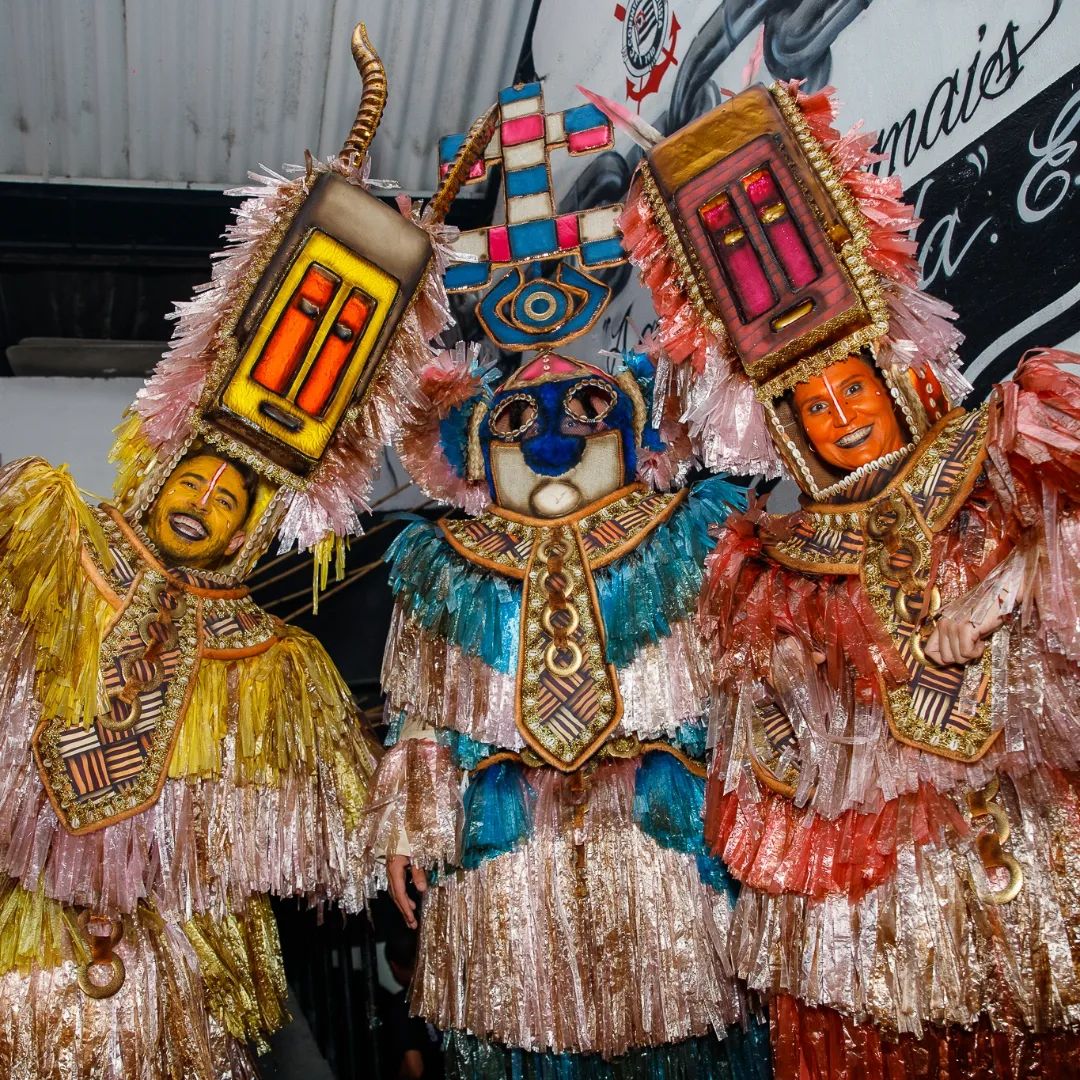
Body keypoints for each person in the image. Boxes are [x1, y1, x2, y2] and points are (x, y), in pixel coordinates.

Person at [621, 79, 1080, 1077]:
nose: (840, 414)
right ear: (787, 428)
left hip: (1029, 841)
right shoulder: (774, 561)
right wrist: (782, 683)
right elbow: (765, 762)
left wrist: (1000, 591)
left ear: (896, 373)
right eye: (814, 404)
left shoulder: (997, 451)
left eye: (852, 387)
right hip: (873, 894)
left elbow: (1065, 545)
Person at [359, 348, 771, 1079]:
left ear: (637, 433)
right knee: (522, 1042)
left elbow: (741, 685)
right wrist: (407, 826)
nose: (552, 446)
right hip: (509, 846)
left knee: (689, 1036)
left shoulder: (687, 532)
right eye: (518, 423)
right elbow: (423, 713)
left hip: (660, 832)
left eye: (587, 413)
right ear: (477, 452)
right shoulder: (449, 561)